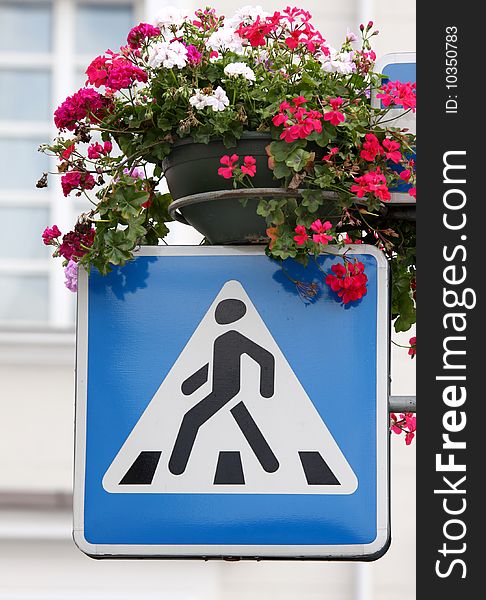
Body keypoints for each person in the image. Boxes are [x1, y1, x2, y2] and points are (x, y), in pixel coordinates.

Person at [169, 298, 279, 475]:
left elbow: (265, 358)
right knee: (246, 424)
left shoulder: (234, 338)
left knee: (191, 419)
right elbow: (213, 366)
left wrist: (266, 388)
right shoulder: (220, 340)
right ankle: (271, 465)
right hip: (222, 391)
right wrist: (191, 384)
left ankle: (175, 468)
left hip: (226, 391)